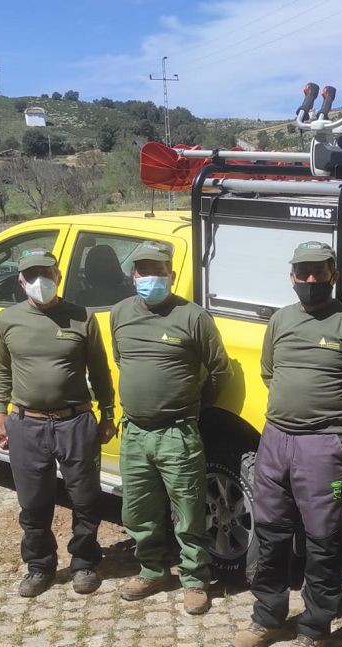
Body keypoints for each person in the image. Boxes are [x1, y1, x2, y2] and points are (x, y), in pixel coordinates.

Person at [230, 241, 342, 647]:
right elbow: (268, 370)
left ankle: (315, 629)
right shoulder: (280, 320)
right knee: (272, 531)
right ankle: (267, 616)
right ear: (292, 276)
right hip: (275, 438)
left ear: (333, 274)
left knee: (321, 539)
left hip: (323, 444)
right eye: (303, 272)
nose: (311, 280)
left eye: (319, 271)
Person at [109, 241, 230, 615]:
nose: (150, 278)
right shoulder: (119, 314)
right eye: (143, 271)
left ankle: (195, 579)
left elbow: (219, 370)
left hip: (177, 433)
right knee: (138, 511)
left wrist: (193, 404)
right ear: (133, 276)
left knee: (189, 511)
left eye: (158, 272)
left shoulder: (193, 317)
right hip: (135, 432)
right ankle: (152, 569)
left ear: (171, 276)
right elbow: (121, 359)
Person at [0, 248, 116, 598]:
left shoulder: (81, 317)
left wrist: (107, 414)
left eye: (46, 274)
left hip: (75, 422)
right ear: (21, 281)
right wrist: (0, 415)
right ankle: (39, 565)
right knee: (33, 502)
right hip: (26, 424)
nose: (39, 281)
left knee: (86, 498)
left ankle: (85, 563)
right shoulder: (6, 321)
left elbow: (100, 370)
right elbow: (3, 370)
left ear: (58, 277)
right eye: (31, 276)